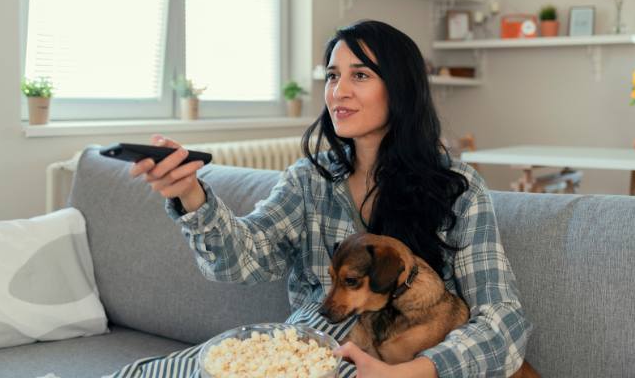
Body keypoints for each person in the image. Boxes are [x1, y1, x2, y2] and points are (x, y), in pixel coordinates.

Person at [121, 20, 532, 378]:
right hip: (304, 356)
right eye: (333, 76)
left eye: (361, 75)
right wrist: (190, 194)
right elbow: (241, 259)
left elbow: (503, 321)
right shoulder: (308, 179)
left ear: (401, 89)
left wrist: (413, 372)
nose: (339, 91)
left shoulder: (456, 188)